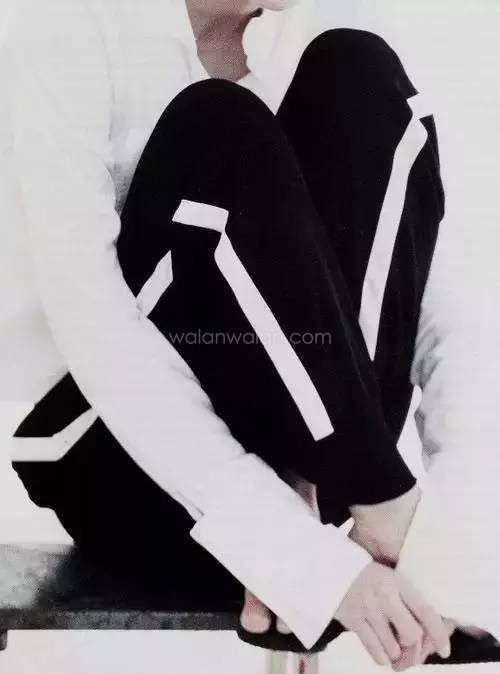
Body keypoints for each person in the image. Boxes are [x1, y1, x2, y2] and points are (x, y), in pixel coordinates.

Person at [3, 0, 499, 670]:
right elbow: (94, 324)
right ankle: (379, 497)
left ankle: (381, 511)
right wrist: (285, 546)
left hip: (327, 470)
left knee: (360, 70)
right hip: (118, 461)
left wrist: (452, 528)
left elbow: (446, 306)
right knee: (214, 126)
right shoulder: (69, 25)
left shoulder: (315, 20)